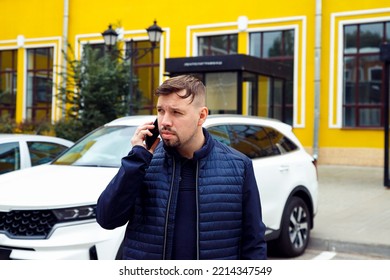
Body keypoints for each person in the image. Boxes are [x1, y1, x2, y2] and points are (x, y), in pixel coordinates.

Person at [96, 75, 267, 260]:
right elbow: (107, 219)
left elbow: (253, 243)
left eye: (176, 113)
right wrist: (136, 160)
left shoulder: (239, 167)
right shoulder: (142, 163)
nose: (164, 121)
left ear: (201, 116)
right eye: (161, 111)